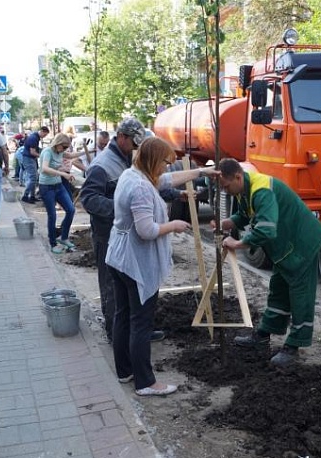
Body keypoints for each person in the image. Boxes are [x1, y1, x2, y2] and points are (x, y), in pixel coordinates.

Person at [106, 137, 217, 396]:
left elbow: (167, 181)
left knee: (123, 315)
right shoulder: (142, 188)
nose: (168, 168)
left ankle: (125, 371)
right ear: (154, 160)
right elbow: (147, 231)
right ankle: (145, 382)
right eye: (166, 163)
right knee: (141, 322)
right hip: (135, 261)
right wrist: (174, 226)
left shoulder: (132, 175)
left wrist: (202, 171)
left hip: (119, 257)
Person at [218, 158, 321, 367]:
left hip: (302, 244)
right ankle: (263, 335)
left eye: (226, 186)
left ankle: (294, 346)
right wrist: (228, 222)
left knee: (300, 295)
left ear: (238, 177)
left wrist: (239, 242)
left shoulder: (261, 190)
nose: (226, 191)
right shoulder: (244, 188)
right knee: (278, 289)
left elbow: (267, 229)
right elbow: (244, 214)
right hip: (287, 249)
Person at [80, 118, 159, 344]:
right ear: (121, 137)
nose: (136, 149)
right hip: (108, 235)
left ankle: (138, 330)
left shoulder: (128, 158)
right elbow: (89, 199)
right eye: (134, 144)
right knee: (112, 286)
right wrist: (123, 209)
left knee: (135, 282)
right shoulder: (102, 165)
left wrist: (173, 194)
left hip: (129, 235)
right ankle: (116, 335)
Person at [38, 133, 85, 254]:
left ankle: (64, 238)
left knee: (71, 209)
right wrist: (63, 174)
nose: (64, 150)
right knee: (52, 215)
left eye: (66, 148)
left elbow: (71, 155)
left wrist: (88, 150)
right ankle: (53, 243)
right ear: (57, 144)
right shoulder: (47, 152)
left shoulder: (61, 152)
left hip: (58, 186)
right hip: (46, 187)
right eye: (63, 147)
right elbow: (44, 168)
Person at [21, 126, 50, 203]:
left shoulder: (35, 137)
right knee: (33, 177)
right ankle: (25, 195)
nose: (45, 136)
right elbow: (32, 152)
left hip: (30, 159)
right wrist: (42, 156)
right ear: (41, 131)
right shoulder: (34, 138)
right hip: (28, 159)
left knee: (34, 177)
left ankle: (32, 196)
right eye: (45, 134)